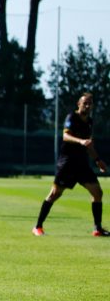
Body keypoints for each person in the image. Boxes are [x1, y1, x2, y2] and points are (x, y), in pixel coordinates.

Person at [32, 92, 109, 237]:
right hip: (67, 163)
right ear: (78, 104)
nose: (87, 105)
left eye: (90, 103)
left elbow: (89, 144)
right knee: (55, 194)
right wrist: (80, 141)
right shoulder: (71, 117)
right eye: (85, 102)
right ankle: (38, 227)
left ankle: (97, 228)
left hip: (82, 164)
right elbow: (65, 136)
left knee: (97, 192)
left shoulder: (90, 121)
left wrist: (98, 160)